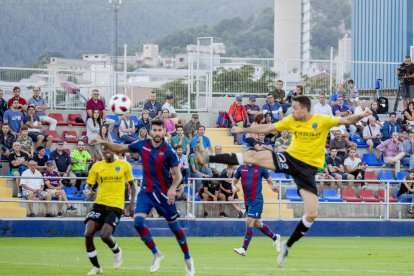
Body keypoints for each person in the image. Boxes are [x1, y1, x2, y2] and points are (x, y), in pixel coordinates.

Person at [195, 95, 371, 267]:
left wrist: (361, 115)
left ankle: (287, 246)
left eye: (295, 108)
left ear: (304, 109)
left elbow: (347, 120)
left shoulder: (322, 120)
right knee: (252, 156)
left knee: (312, 213)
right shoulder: (290, 120)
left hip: (307, 171)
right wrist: (243, 130)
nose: (292, 110)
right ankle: (208, 158)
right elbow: (268, 128)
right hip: (290, 159)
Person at [90, 119, 195, 275]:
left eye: (160, 130)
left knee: (175, 228)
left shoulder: (168, 151)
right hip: (146, 192)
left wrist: (173, 188)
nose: (157, 133)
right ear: (150, 131)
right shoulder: (142, 144)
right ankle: (156, 253)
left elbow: (178, 175)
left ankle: (188, 259)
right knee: (138, 222)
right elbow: (120, 148)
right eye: (155, 130)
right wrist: (102, 141)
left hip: (163, 194)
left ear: (164, 132)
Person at [83, 147, 136, 275]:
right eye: (104, 150)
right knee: (88, 234)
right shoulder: (96, 166)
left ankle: (117, 251)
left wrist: (132, 203)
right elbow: (89, 186)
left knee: (104, 235)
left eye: (109, 149)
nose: (107, 152)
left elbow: (132, 186)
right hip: (99, 205)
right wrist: (89, 192)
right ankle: (96, 267)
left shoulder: (124, 165)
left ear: (115, 151)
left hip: (116, 206)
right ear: (101, 152)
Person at [232, 161, 281, 256]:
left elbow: (270, 182)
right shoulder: (241, 168)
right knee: (258, 224)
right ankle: (275, 237)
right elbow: (233, 182)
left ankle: (244, 249)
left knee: (249, 221)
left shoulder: (261, 167)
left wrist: (273, 187)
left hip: (257, 200)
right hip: (247, 201)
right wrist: (233, 187)